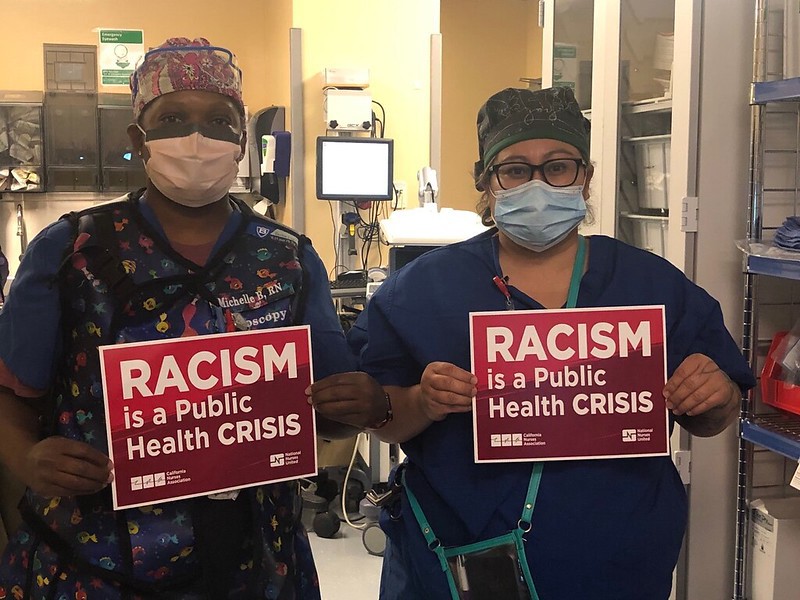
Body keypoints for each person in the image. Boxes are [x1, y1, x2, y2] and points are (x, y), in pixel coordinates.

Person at [310, 86, 757, 600]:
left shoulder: (650, 285)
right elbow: (384, 418)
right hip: (462, 553)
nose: (538, 183)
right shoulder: (420, 291)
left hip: (616, 558)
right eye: (516, 169)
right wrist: (421, 402)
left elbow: (710, 416)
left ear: (585, 177)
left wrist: (713, 397)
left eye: (559, 167)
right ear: (487, 181)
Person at [0, 37, 385, 599]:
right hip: (97, 556)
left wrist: (360, 407)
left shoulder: (287, 257)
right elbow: (12, 392)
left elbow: (326, 411)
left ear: (242, 141)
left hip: (258, 558)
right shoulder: (73, 251)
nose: (198, 138)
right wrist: (27, 458)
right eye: (173, 117)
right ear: (138, 138)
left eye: (221, 121)